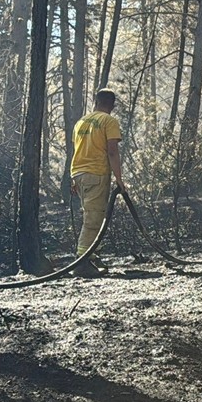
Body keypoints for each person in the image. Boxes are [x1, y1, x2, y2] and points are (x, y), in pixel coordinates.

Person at [69, 88, 125, 277]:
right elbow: (112, 152)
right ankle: (82, 262)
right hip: (96, 173)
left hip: (79, 173)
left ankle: (91, 257)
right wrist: (119, 178)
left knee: (95, 216)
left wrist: (74, 177)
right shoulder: (109, 121)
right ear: (111, 105)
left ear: (96, 101)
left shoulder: (81, 122)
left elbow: (78, 149)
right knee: (93, 220)